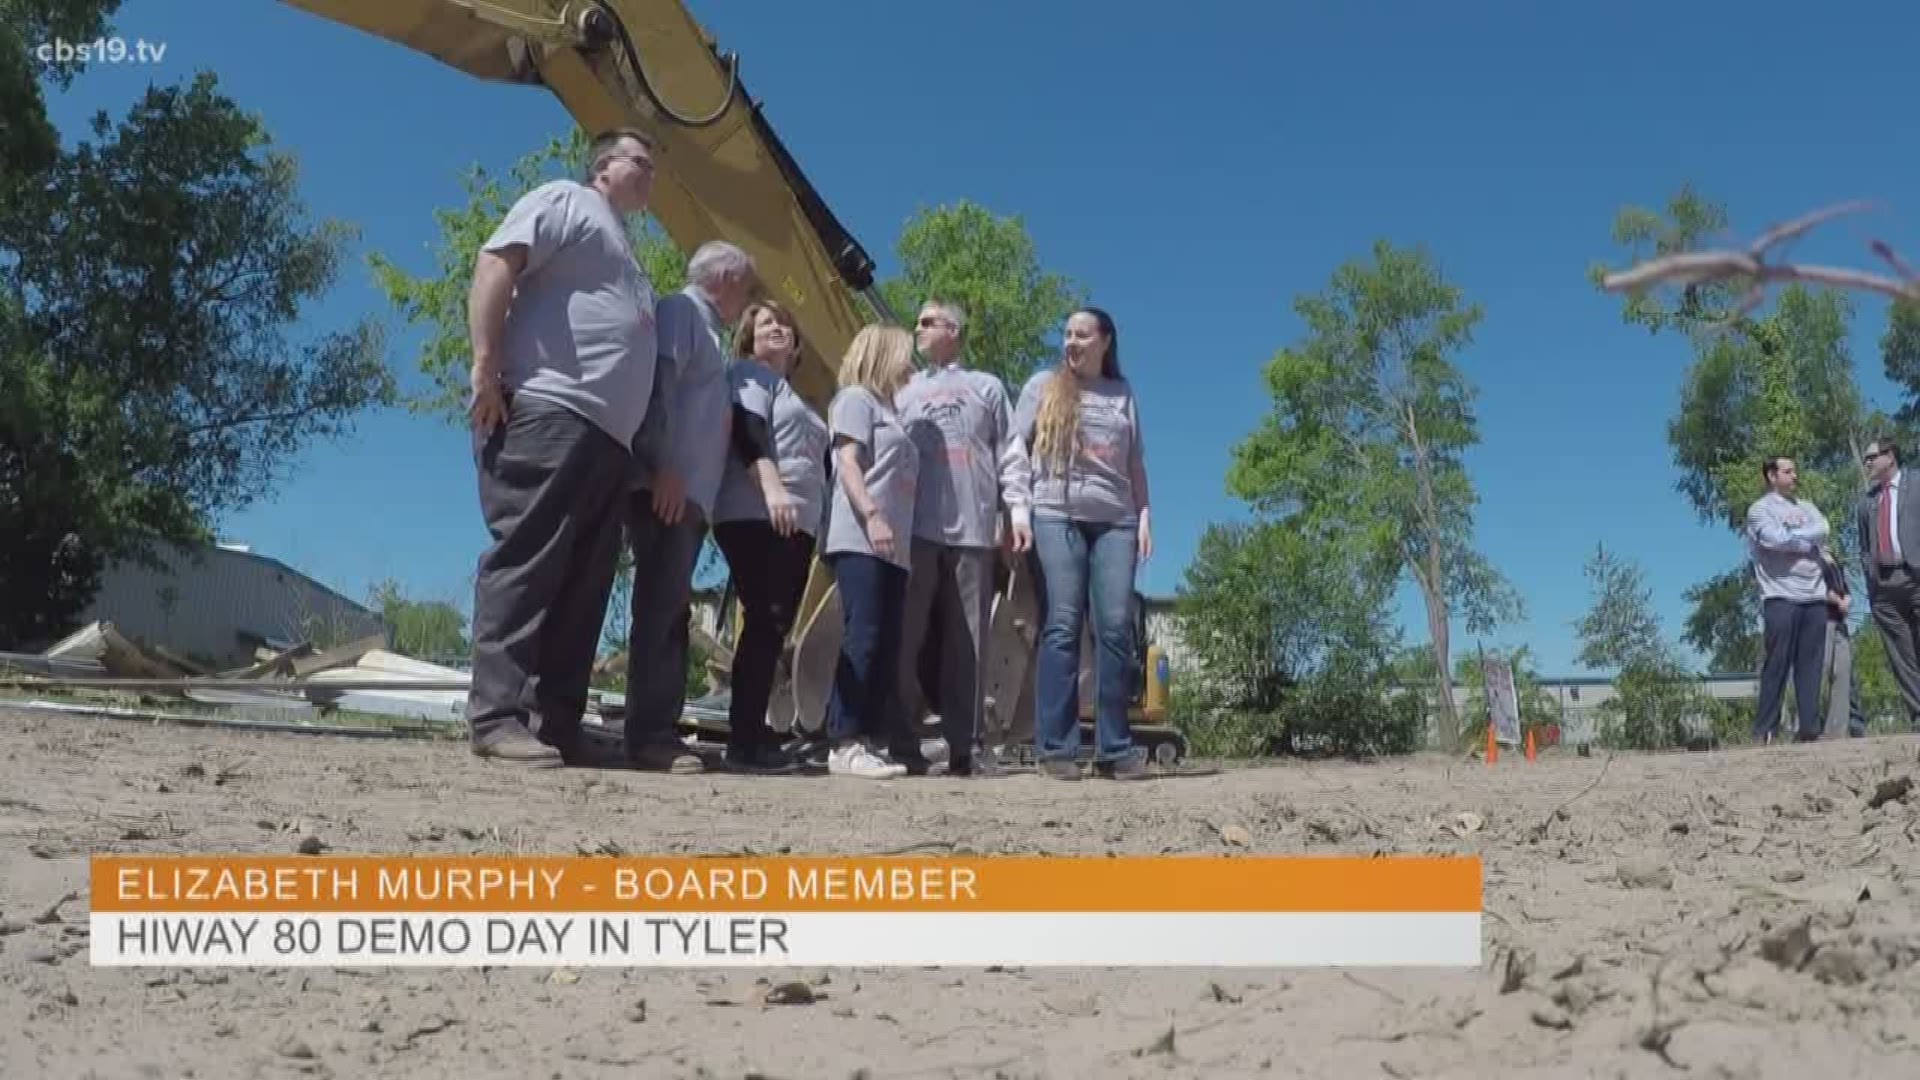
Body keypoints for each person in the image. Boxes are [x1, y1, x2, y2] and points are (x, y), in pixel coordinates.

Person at [463, 127, 661, 768]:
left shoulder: (626, 247)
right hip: (549, 410)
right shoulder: (567, 201)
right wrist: (486, 367)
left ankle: (557, 723)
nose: (652, 172)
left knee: (585, 583)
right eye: (642, 160)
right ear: (604, 165)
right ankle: (497, 716)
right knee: (528, 562)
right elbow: (497, 263)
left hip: (608, 442)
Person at [621, 240, 758, 774]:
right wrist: (662, 466)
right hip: (667, 487)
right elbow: (658, 385)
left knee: (670, 610)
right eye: (745, 286)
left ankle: (658, 730)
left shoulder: (708, 332)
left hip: (689, 496)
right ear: (723, 276)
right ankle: (650, 737)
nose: (745, 298)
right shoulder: (681, 311)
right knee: (660, 610)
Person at [894, 299, 1032, 777]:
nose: (918, 328)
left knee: (967, 639)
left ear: (954, 330)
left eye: (928, 321)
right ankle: (899, 740)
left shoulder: (986, 387)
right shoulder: (904, 390)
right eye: (919, 321)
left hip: (973, 530)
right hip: (913, 530)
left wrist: (1017, 512)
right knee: (905, 635)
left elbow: (1011, 452)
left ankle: (966, 747)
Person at [1012, 307, 1151, 780]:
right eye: (1067, 333)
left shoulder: (1122, 393)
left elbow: (1135, 462)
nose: (1071, 342)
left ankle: (1114, 749)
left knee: (1114, 628)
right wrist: (1016, 511)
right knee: (1064, 622)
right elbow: (1015, 452)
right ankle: (1057, 748)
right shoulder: (1042, 387)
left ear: (1105, 341)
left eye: (1082, 334)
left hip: (1117, 520)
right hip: (1056, 514)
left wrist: (1145, 515)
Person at [709, 300, 828, 772]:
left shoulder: (791, 392)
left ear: (797, 343)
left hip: (796, 524)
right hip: (758, 513)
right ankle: (743, 743)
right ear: (748, 338)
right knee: (765, 619)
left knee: (773, 625)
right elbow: (748, 429)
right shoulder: (749, 377)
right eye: (765, 323)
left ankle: (752, 728)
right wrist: (773, 489)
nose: (777, 328)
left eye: (784, 323)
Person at [821, 325, 920, 779]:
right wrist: (872, 514)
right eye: (905, 354)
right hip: (862, 536)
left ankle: (871, 740)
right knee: (862, 636)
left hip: (893, 548)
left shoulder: (891, 410)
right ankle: (843, 742)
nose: (911, 363)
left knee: (885, 644)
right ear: (883, 354)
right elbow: (847, 462)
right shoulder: (855, 399)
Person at [1746, 456, 1830, 743]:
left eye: (1795, 471)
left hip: (1815, 595)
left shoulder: (1807, 507)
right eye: (1788, 471)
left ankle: (1809, 728)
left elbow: (1824, 529)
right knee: (1777, 663)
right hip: (1780, 595)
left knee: (1811, 664)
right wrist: (1805, 540)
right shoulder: (1760, 510)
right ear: (1772, 476)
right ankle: (1765, 729)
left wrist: (1794, 536)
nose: (1795, 476)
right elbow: (1773, 540)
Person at [1857, 435, 1920, 730]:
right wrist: (1871, 581)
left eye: (1872, 456)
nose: (1867, 462)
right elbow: (1864, 546)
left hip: (1915, 576)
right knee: (1901, 654)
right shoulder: (1867, 502)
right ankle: (1918, 714)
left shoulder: (1917, 484)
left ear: (1890, 456)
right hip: (1883, 586)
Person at [1817, 547, 1866, 739]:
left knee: (1843, 673)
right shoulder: (1809, 557)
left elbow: (1845, 587)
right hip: (1821, 619)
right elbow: (1814, 587)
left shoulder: (1834, 560)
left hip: (1839, 621)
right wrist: (1837, 600)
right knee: (1822, 671)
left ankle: (1836, 730)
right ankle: (1812, 726)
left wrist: (1846, 600)